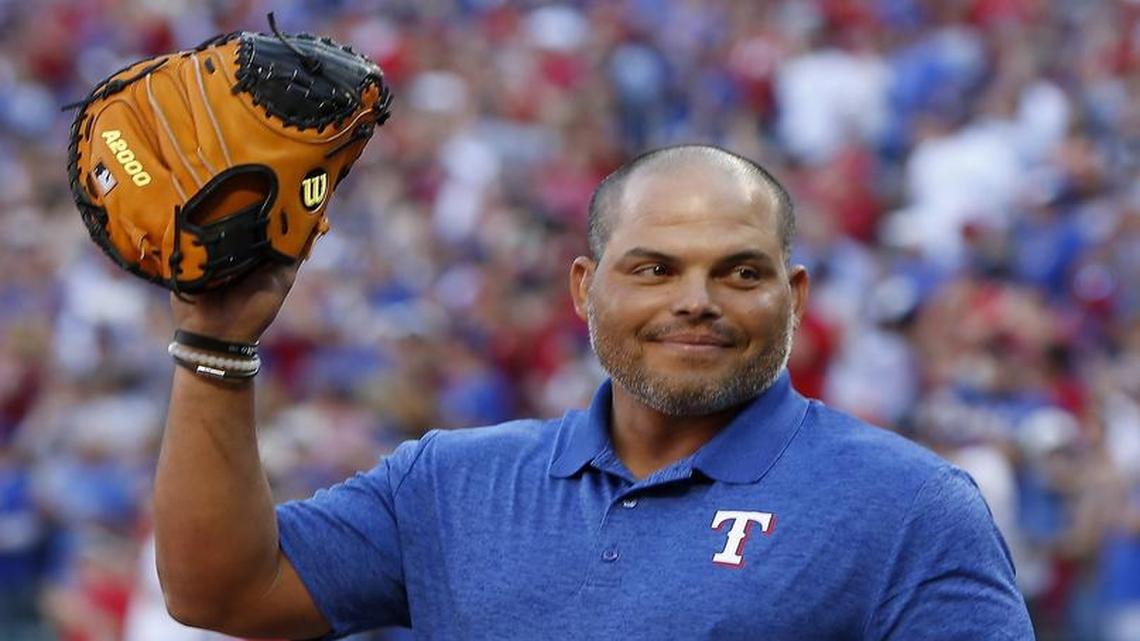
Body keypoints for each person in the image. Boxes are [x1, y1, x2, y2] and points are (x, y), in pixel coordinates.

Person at [153, 144, 1035, 640]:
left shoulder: (907, 507)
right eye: (654, 268)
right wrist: (215, 342)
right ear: (584, 288)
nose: (695, 298)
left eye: (739, 271)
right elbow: (221, 589)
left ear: (793, 297)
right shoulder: (450, 484)